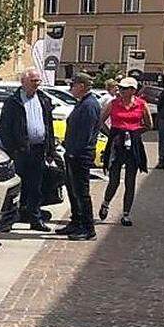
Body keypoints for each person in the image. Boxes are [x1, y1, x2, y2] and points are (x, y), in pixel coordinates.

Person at [0, 68, 56, 231]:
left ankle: (35, 219)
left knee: (35, 187)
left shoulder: (43, 99)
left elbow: (48, 126)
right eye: (33, 81)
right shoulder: (13, 101)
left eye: (38, 81)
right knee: (15, 187)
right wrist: (13, 149)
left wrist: (51, 149)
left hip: (38, 150)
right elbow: (4, 128)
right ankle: (9, 221)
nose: (36, 84)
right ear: (23, 82)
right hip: (20, 151)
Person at [99, 77, 152, 226]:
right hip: (117, 142)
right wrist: (111, 134)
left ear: (133, 90)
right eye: (120, 88)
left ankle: (126, 213)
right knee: (114, 178)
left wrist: (135, 133)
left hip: (133, 143)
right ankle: (106, 202)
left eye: (125, 88)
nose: (121, 90)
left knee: (130, 180)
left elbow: (149, 124)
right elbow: (101, 120)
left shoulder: (141, 104)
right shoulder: (113, 103)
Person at [55, 73, 102, 240]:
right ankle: (76, 221)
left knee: (82, 192)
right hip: (73, 153)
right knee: (73, 190)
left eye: (73, 85)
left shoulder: (89, 105)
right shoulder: (82, 103)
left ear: (81, 86)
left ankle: (88, 228)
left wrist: (74, 152)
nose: (70, 89)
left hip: (81, 155)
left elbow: (85, 134)